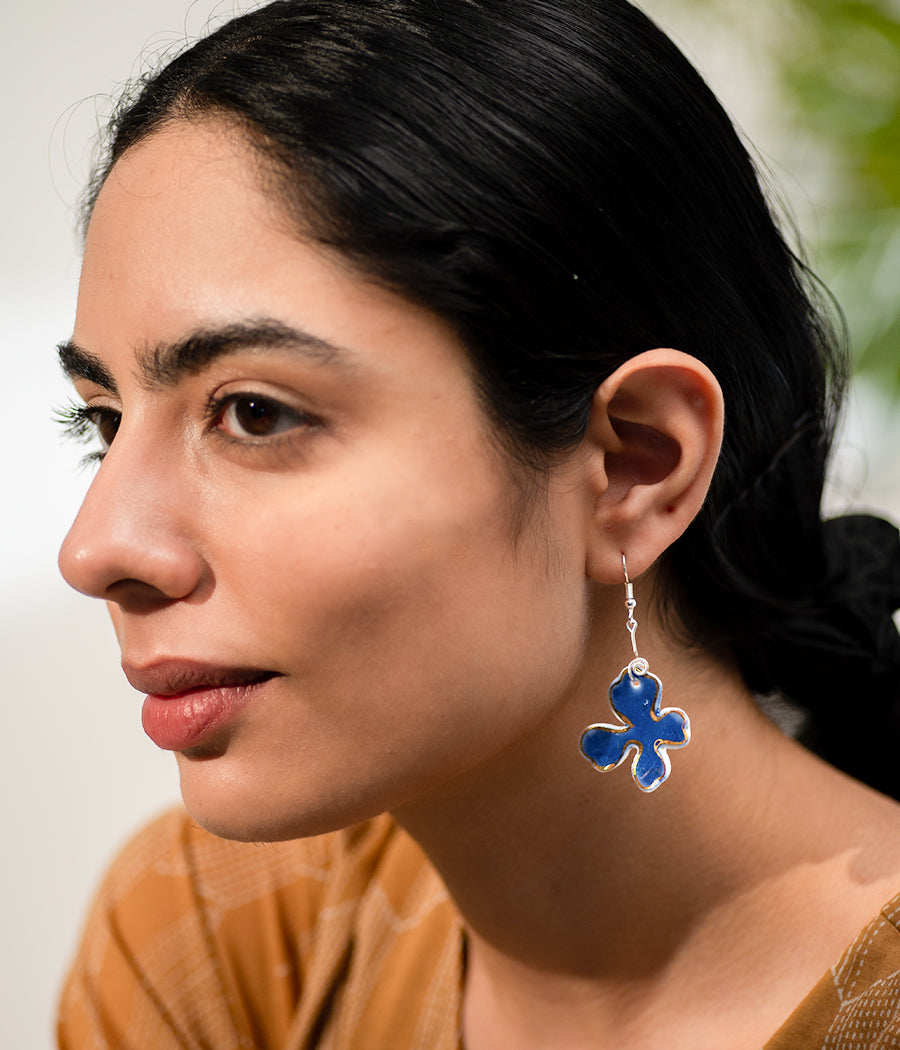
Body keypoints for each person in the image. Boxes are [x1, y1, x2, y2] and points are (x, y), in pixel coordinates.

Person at [54, 1, 900, 1047]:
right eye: (102, 423)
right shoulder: (225, 943)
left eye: (255, 414)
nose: (95, 551)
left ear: (636, 465)